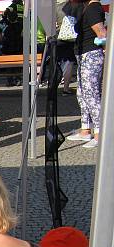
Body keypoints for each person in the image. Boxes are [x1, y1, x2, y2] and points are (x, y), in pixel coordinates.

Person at [65, 0, 106, 149]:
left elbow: (102, 34)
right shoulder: (86, 7)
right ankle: (85, 129)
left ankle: (99, 134)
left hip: (91, 55)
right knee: (82, 94)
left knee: (91, 95)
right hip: (84, 55)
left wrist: (106, 51)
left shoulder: (93, 8)